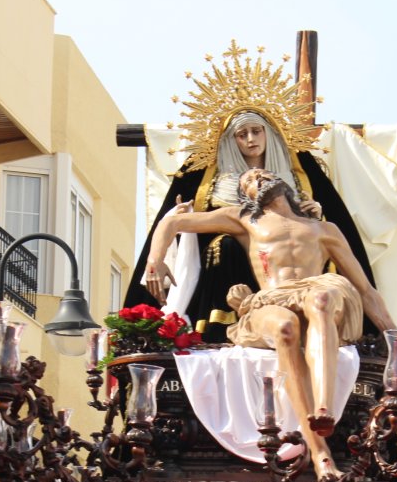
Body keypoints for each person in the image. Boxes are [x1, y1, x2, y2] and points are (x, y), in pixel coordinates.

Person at [145, 169, 397, 480]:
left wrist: (395, 339)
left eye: (264, 173)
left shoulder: (324, 230)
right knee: (285, 327)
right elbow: (173, 222)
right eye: (248, 179)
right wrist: (155, 261)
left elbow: (367, 291)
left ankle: (322, 408)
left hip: (315, 295)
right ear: (245, 196)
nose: (258, 177)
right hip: (270, 301)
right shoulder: (244, 219)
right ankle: (319, 451)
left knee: (321, 299)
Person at [124, 111, 379, 343]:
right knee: (227, 244)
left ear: (269, 132)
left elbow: (327, 229)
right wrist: (156, 258)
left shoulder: (302, 173)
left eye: (256, 131)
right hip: (229, 263)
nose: (250, 140)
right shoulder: (211, 182)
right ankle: (219, 326)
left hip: (290, 275)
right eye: (241, 134)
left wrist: (315, 217)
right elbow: (174, 220)